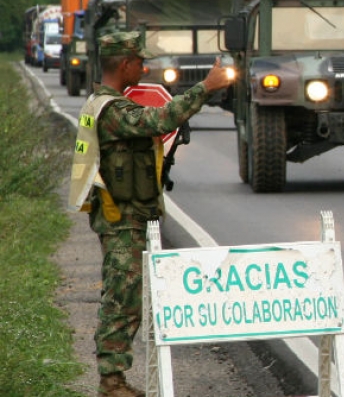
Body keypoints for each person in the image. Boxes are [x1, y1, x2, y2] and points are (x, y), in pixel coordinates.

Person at [68, 30, 234, 397]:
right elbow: (160, 119)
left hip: (123, 215)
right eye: (139, 61)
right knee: (121, 299)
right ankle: (111, 384)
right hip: (120, 218)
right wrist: (205, 87)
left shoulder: (102, 103)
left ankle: (115, 380)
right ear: (124, 65)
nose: (144, 67)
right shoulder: (112, 110)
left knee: (128, 298)